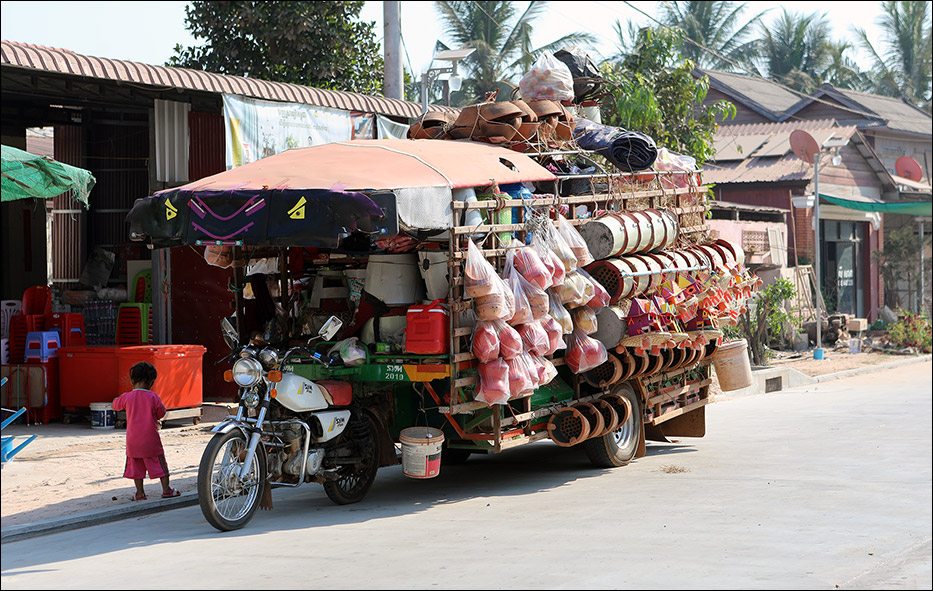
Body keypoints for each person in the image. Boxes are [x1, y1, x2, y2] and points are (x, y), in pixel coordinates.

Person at [112, 362, 180, 501]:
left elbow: (115, 405)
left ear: (132, 380)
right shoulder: (153, 397)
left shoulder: (126, 397)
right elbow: (161, 413)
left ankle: (140, 493)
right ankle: (166, 490)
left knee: (136, 468)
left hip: (133, 442)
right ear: (151, 382)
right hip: (151, 441)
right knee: (160, 465)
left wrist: (115, 400)